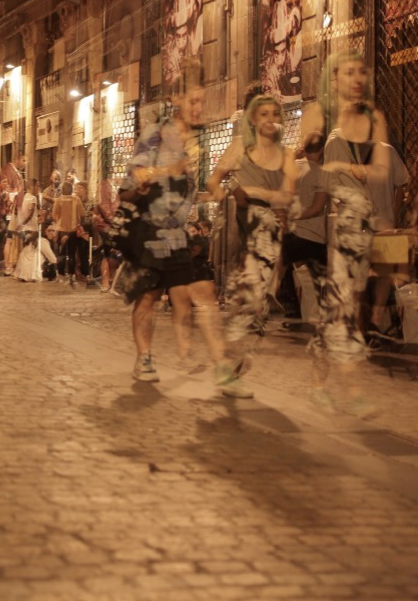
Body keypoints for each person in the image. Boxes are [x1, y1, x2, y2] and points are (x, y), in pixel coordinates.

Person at [122, 58, 248, 398]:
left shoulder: (196, 142)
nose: (198, 107)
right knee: (148, 297)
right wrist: (168, 169)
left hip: (180, 235)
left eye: (201, 101)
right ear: (176, 100)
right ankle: (144, 357)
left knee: (205, 295)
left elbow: (188, 192)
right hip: (151, 233)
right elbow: (134, 179)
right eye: (192, 100)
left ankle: (223, 370)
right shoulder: (155, 135)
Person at [297, 49, 391, 416]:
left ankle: (321, 384)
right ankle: (352, 392)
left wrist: (348, 170)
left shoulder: (373, 120)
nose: (356, 79)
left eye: (361, 72)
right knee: (344, 310)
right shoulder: (323, 123)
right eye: (348, 73)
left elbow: (381, 170)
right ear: (334, 80)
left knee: (341, 310)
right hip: (344, 227)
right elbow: (318, 172)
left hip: (365, 224)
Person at [207, 95, 299, 352]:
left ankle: (255, 311)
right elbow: (213, 181)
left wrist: (284, 209)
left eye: (274, 114)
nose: (270, 120)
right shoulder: (240, 146)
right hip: (248, 210)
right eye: (264, 114)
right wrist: (233, 189)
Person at [277, 141, 328, 316]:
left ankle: (294, 308)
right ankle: (310, 313)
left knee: (298, 274)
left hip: (292, 231)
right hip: (313, 233)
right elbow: (317, 208)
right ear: (322, 149)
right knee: (312, 281)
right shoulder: (322, 174)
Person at [52, 180, 88, 285]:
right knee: (72, 254)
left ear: (62, 190)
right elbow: (82, 214)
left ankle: (61, 276)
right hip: (72, 231)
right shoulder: (76, 200)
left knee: (61, 254)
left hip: (61, 231)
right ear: (71, 190)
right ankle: (71, 276)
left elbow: (54, 215)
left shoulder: (58, 201)